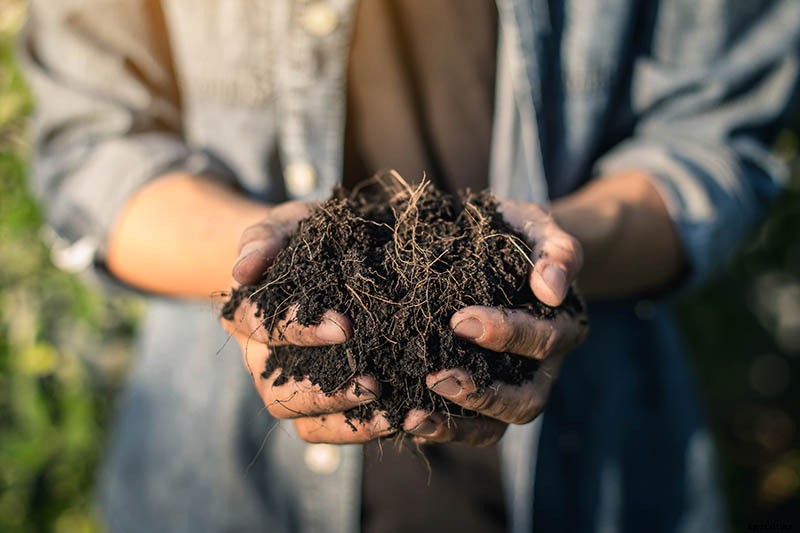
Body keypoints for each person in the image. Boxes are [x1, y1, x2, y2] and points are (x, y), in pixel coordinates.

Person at [20, 0, 800, 531]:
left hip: (595, 474)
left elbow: (713, 139)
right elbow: (92, 149)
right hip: (227, 487)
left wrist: (561, 253)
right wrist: (259, 266)